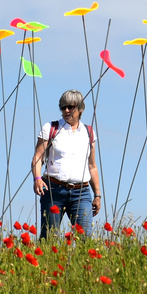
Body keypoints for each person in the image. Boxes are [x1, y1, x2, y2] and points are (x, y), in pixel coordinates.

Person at [32, 90, 102, 235]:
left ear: (80, 109)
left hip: (81, 192)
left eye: (71, 107)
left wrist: (97, 195)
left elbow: (92, 166)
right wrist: (37, 179)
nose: (66, 110)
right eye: (63, 107)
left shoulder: (89, 132)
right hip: (54, 190)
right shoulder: (50, 128)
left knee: (85, 239)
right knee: (49, 238)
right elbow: (37, 158)